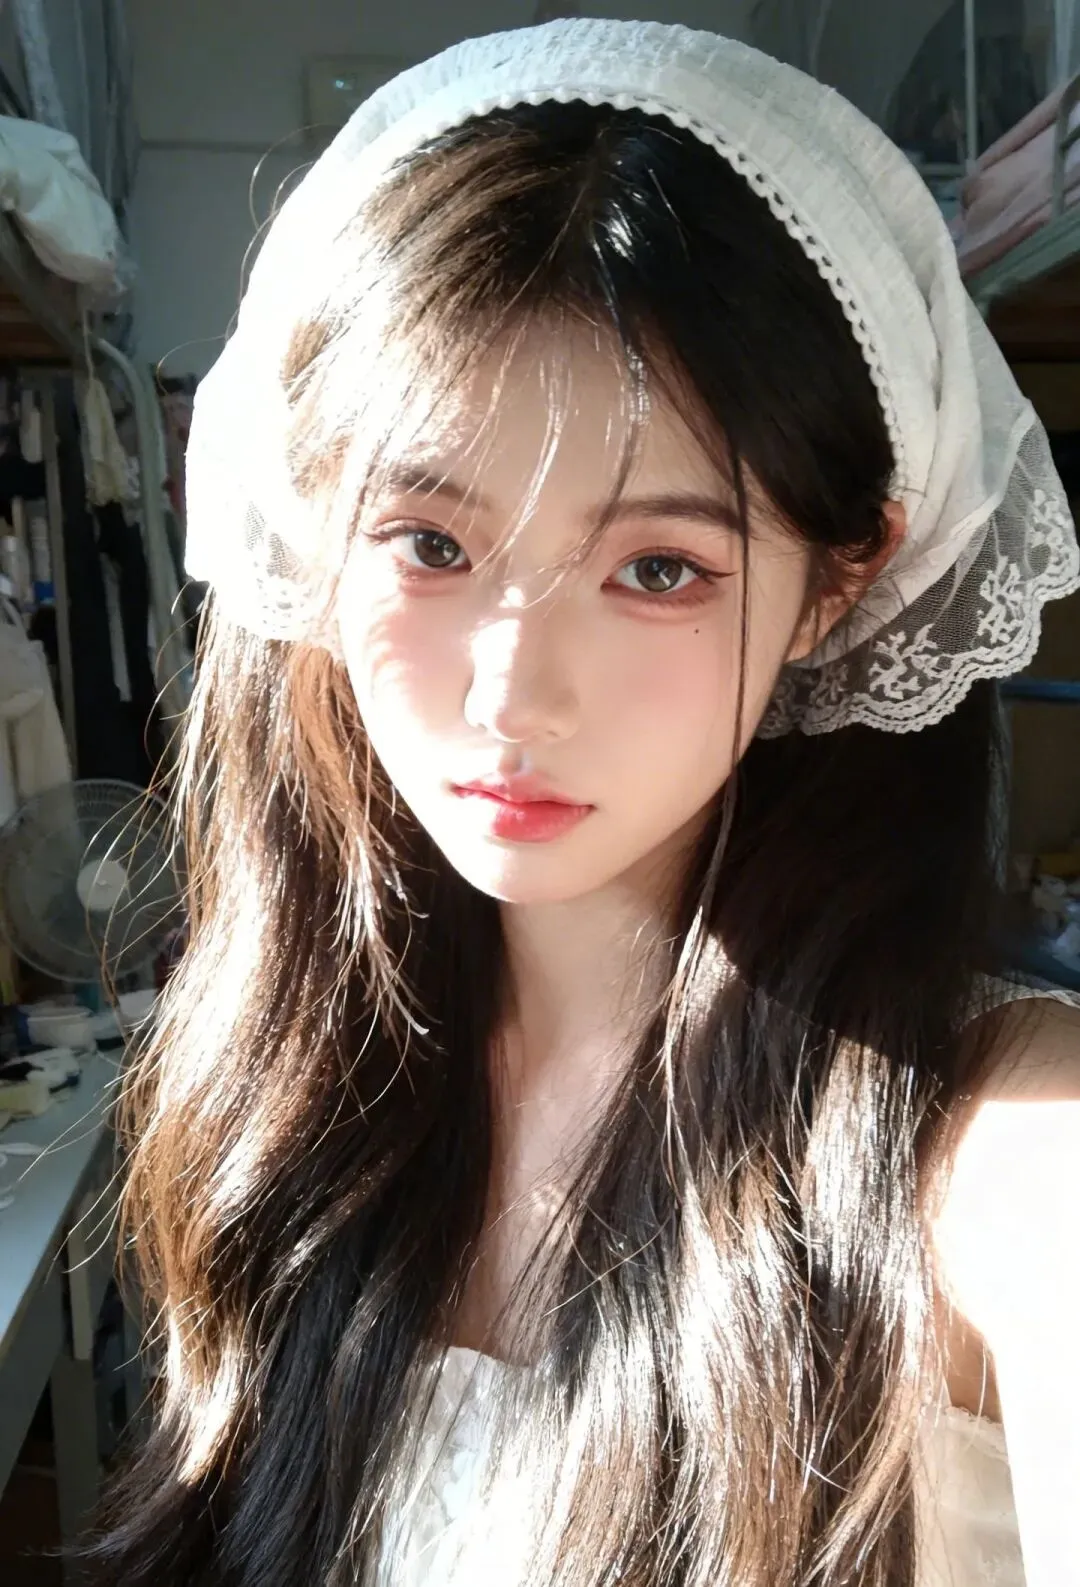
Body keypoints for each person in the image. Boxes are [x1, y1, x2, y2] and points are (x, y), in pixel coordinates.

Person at [80, 19, 1080, 1587]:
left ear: (840, 580)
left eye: (659, 568)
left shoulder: (1000, 1145)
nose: (514, 693)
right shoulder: (299, 1072)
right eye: (431, 544)